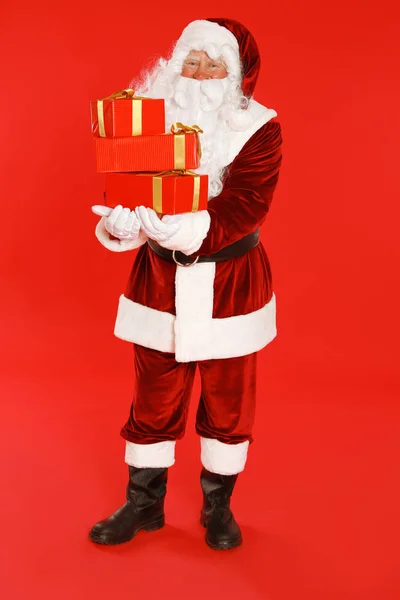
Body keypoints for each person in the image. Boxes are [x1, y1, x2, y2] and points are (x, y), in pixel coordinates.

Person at [89, 17, 283, 550]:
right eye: (191, 62)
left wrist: (190, 226)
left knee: (228, 403)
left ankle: (218, 507)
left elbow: (247, 204)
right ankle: (142, 505)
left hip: (231, 285)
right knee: (152, 399)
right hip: (159, 282)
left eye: (212, 64)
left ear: (235, 76)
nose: (198, 75)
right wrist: (122, 223)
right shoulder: (148, 116)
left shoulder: (260, 128)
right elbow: (126, 183)